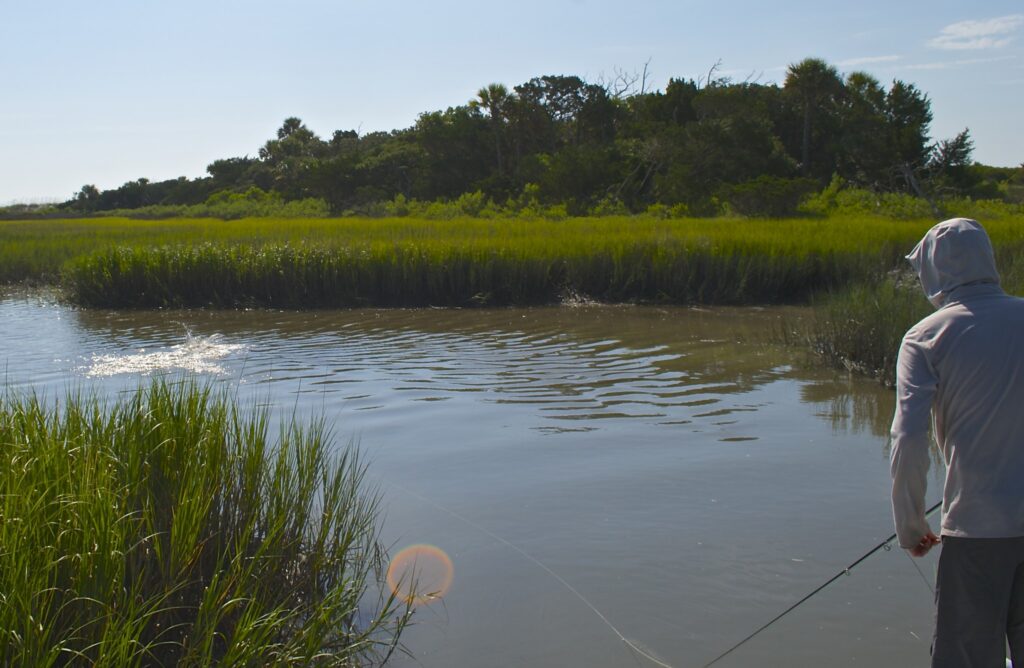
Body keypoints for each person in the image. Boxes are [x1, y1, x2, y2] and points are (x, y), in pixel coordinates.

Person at [890, 217, 1024, 667]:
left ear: (934, 271)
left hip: (976, 530)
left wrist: (911, 527)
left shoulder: (925, 337)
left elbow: (908, 438)